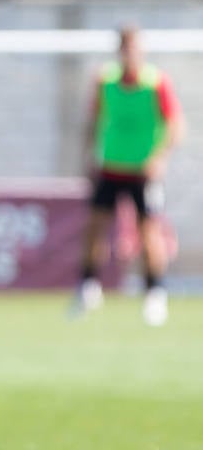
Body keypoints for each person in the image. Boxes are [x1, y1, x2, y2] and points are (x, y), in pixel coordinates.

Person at [71, 25, 184, 326]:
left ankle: (154, 294)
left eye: (135, 49)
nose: (131, 54)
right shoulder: (105, 80)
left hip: (142, 170)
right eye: (126, 49)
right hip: (110, 166)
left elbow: (175, 125)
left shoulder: (155, 82)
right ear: (120, 51)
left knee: (148, 231)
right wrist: (88, 157)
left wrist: (159, 159)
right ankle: (87, 287)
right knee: (95, 227)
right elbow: (94, 120)